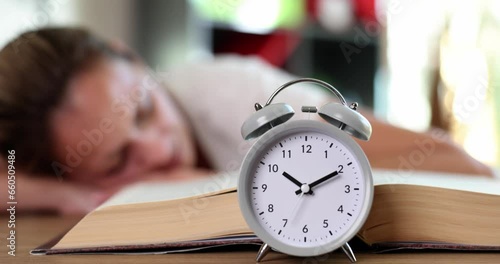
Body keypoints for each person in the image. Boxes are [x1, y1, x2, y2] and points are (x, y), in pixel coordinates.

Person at [0, 27, 493, 215]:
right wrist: (67, 197)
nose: (156, 149)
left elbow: (465, 168)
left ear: (136, 61)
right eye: (117, 159)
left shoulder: (242, 94)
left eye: (145, 110)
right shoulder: (55, 170)